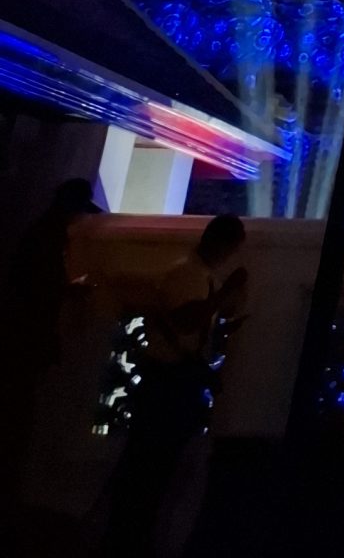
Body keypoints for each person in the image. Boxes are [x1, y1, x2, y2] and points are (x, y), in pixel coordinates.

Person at [104, 213, 248, 558]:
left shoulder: (200, 275)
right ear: (219, 243)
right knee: (148, 468)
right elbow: (185, 322)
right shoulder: (185, 274)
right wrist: (223, 295)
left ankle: (132, 539)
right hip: (165, 382)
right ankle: (124, 541)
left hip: (174, 381)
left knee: (156, 469)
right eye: (230, 248)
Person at [0, 178, 99, 512]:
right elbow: (38, 288)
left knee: (19, 409)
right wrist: (70, 290)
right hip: (26, 337)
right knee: (18, 411)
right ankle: (11, 488)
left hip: (23, 336)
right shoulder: (48, 237)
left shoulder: (41, 233)